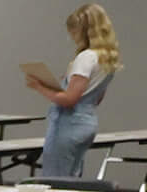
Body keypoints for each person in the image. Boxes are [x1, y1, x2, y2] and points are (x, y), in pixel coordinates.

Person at [31, 5, 121, 178]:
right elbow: (98, 98)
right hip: (87, 122)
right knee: (73, 178)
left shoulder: (86, 57)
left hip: (68, 124)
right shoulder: (108, 59)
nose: (72, 37)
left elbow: (70, 99)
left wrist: (40, 87)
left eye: (74, 32)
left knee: (55, 180)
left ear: (84, 31)